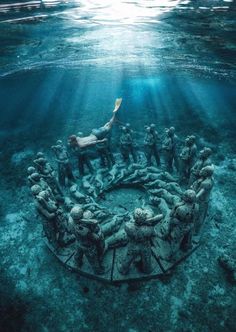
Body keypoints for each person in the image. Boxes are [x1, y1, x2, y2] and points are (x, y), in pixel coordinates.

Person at [118, 208, 163, 275]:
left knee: (129, 258)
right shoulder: (149, 229)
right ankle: (147, 270)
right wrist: (151, 220)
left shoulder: (128, 226)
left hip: (133, 245)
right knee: (147, 257)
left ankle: (123, 270)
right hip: (145, 245)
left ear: (134, 218)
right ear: (144, 218)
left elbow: (129, 229)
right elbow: (161, 216)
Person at [69, 206, 106, 274]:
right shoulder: (81, 228)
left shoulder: (70, 219)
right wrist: (99, 232)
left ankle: (77, 263)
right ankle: (97, 270)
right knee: (93, 259)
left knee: (78, 254)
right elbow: (95, 237)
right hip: (88, 245)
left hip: (78, 241)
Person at [167, 189, 199, 258]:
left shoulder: (180, 208)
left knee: (175, 242)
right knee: (187, 237)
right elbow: (194, 218)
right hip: (190, 225)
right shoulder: (196, 206)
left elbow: (171, 215)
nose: (183, 196)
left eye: (184, 195)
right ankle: (186, 246)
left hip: (180, 227)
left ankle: (171, 257)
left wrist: (176, 206)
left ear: (186, 198)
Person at [191, 165, 214, 233]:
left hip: (201, 201)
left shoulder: (206, 183)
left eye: (202, 171)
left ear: (206, 173)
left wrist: (192, 197)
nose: (200, 171)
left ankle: (196, 231)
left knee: (199, 216)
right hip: (203, 199)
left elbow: (200, 193)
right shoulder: (209, 177)